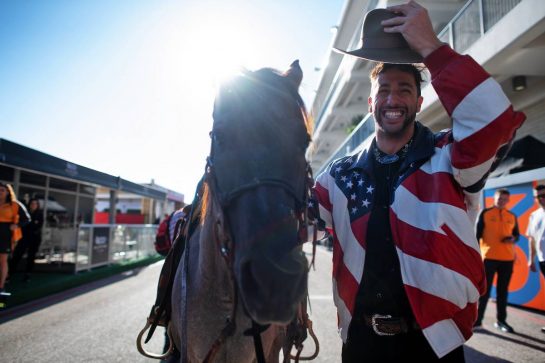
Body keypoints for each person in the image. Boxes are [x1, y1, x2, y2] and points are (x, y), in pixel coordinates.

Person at [311, 1, 525, 361]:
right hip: (361, 344)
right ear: (370, 102)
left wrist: (432, 49)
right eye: (384, 90)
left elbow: (495, 122)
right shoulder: (338, 175)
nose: (393, 98)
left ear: (420, 100)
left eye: (404, 89)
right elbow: (292, 222)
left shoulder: (450, 157)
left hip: (434, 347)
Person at [475, 189, 520, 333]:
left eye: (505, 199)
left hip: (507, 259)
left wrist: (513, 239)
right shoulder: (485, 213)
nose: (502, 201)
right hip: (488, 258)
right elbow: (476, 236)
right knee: (484, 292)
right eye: (499, 198)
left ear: (508, 200)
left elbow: (516, 235)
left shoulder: (512, 216)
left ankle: (501, 321)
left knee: (503, 292)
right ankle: (477, 321)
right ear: (494, 198)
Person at [9, 198, 44, 282]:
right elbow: (23, 225)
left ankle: (28, 274)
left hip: (34, 239)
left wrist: (30, 226)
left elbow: (38, 226)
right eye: (32, 203)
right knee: (17, 255)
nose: (33, 205)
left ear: (37, 205)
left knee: (31, 257)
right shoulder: (25, 213)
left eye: (35, 204)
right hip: (24, 238)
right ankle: (9, 273)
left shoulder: (39, 214)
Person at [526, 184, 545, 333]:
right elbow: (531, 239)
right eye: (538, 196)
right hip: (542, 258)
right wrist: (531, 259)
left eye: (543, 195)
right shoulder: (534, 215)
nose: (541, 198)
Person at [0, 182, 24, 293]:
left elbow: (26, 219)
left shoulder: (14, 204)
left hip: (5, 235)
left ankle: (1, 285)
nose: (0, 192)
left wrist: (17, 225)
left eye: (2, 190)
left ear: (7, 192)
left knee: (3, 261)